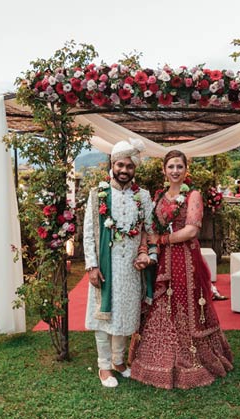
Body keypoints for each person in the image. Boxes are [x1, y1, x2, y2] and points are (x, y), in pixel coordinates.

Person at [130, 150, 233, 389]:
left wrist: (163, 241)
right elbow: (151, 227)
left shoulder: (193, 195)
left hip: (185, 258)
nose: (175, 171)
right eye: (170, 167)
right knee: (160, 302)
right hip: (161, 258)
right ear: (164, 170)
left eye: (179, 166)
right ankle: (158, 358)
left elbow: (191, 231)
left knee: (185, 304)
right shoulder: (158, 196)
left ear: (186, 169)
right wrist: (148, 248)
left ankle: (193, 357)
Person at [83, 138, 155, 388]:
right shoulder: (97, 195)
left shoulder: (143, 196)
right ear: (112, 164)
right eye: (120, 165)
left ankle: (119, 362)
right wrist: (92, 266)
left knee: (125, 316)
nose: (124, 170)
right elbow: (89, 233)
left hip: (131, 267)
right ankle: (104, 367)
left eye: (130, 166)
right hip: (106, 266)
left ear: (135, 169)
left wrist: (146, 252)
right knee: (104, 317)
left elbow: (149, 229)